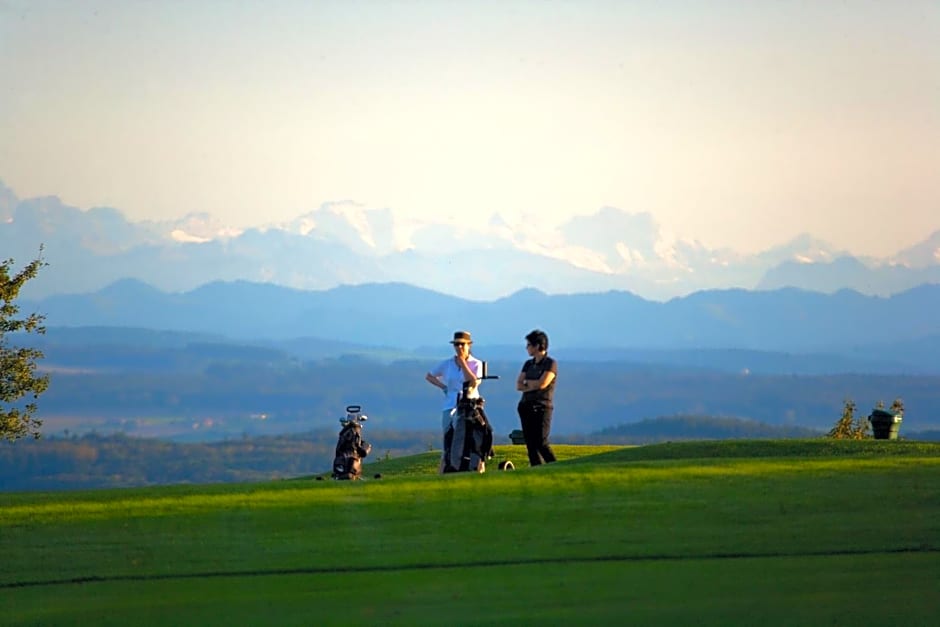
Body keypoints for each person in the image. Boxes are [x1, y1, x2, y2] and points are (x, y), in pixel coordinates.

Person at [425, 330, 484, 472]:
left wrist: (463, 363)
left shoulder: (476, 364)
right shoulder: (447, 364)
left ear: (469, 345)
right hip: (450, 403)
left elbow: (473, 382)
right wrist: (444, 387)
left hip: (469, 405)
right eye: (456, 345)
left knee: (468, 437)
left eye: (462, 345)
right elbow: (430, 376)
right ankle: (446, 467)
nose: (459, 348)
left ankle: (471, 466)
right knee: (448, 436)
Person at [516, 329, 557, 466]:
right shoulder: (528, 364)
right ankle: (536, 468)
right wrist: (531, 384)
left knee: (541, 442)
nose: (527, 348)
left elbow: (543, 383)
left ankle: (554, 466)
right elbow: (519, 384)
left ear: (537, 346)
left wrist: (528, 383)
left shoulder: (550, 363)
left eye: (529, 345)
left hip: (542, 407)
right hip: (526, 405)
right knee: (530, 444)